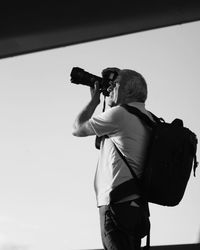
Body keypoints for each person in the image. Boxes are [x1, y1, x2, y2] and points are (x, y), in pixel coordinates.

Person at [72, 67, 153, 250]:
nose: (109, 89)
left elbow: (77, 128)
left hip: (117, 206)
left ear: (128, 90)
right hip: (136, 206)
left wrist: (94, 101)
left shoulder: (120, 115)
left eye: (114, 85)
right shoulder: (148, 118)